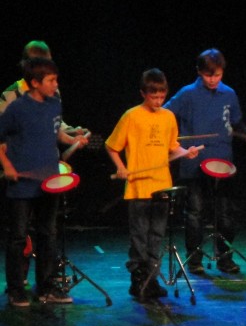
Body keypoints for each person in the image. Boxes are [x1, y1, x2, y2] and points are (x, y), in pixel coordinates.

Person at [0, 57, 89, 307]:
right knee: (18, 237)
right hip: (22, 185)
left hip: (49, 182)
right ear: (35, 83)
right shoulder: (17, 109)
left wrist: (72, 140)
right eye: (51, 80)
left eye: (56, 79)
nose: (55, 84)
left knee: (48, 234)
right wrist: (7, 165)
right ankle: (16, 289)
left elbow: (55, 132)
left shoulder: (54, 105)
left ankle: (46, 287)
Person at [106, 68, 200, 299]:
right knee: (139, 236)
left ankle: (152, 278)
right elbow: (111, 146)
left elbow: (172, 147)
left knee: (156, 236)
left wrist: (186, 152)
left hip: (162, 186)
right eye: (154, 97)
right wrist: (121, 167)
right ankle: (138, 280)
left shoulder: (168, 117)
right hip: (139, 186)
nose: (158, 101)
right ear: (143, 94)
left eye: (162, 97)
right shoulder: (131, 116)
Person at [164, 48, 246, 275]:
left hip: (222, 161)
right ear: (199, 72)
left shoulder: (229, 94)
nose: (213, 80)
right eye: (208, 75)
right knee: (195, 212)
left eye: (218, 75)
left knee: (225, 213)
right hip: (194, 163)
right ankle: (195, 259)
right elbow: (164, 115)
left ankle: (224, 257)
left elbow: (236, 122)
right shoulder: (187, 94)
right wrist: (174, 144)